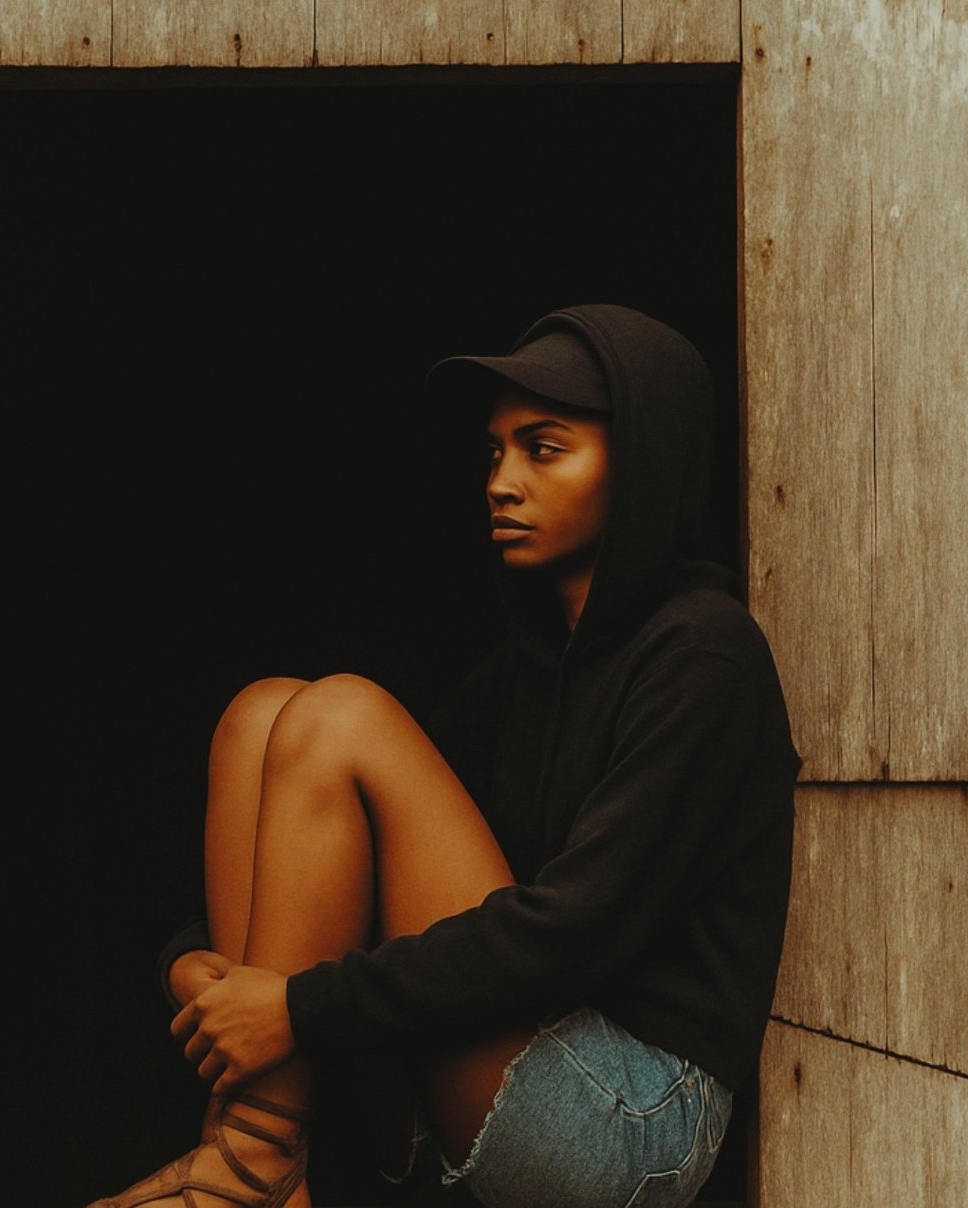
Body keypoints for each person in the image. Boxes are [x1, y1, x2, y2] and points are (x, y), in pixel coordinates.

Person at [92, 304, 800, 1208]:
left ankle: (250, 1165)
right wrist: (193, 960)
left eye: (543, 450)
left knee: (341, 717)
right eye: (495, 453)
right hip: (503, 1056)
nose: (501, 482)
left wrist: (296, 1006)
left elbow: (575, 933)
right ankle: (259, 1162)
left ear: (643, 463)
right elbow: (335, 853)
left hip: (633, 1117)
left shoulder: (707, 658)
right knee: (262, 716)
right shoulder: (525, 669)